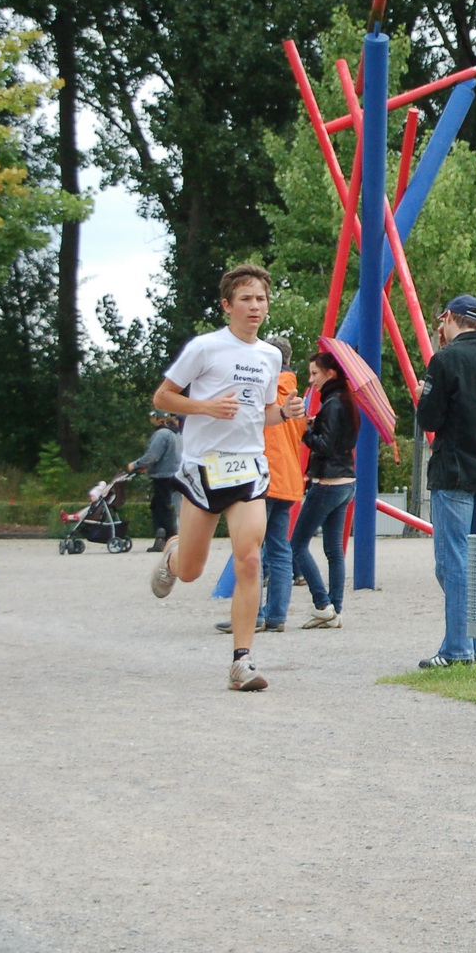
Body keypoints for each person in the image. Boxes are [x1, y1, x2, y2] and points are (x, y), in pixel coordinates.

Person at [149, 263, 306, 692]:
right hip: (203, 468)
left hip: (249, 467)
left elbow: (262, 415)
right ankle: (173, 555)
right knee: (191, 571)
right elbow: (163, 397)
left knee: (250, 557)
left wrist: (286, 414)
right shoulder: (205, 348)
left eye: (261, 299)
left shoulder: (270, 356)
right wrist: (206, 407)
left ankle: (242, 662)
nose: (255, 306)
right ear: (227, 305)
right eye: (246, 299)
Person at [416, 294, 476, 669]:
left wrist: (422, 400)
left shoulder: (445, 359)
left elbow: (430, 417)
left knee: (454, 561)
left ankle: (457, 648)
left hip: (455, 470)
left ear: (449, 319)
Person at [214, 336, 303, 635]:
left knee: (250, 549)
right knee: (280, 549)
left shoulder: (259, 390)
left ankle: (253, 615)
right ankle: (276, 614)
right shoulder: (295, 395)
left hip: (262, 476)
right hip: (289, 478)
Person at [290, 350, 357, 630]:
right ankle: (335, 609)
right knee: (334, 551)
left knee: (296, 544)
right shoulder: (347, 401)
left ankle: (322, 603)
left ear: (331, 373)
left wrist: (304, 430)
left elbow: (324, 445)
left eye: (315, 373)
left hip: (328, 483)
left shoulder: (332, 403)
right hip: (347, 482)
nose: (311, 379)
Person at [128, 411, 182, 552]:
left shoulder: (161, 434)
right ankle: (167, 536)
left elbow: (153, 455)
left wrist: (136, 464)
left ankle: (167, 537)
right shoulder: (175, 434)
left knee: (162, 507)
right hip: (175, 473)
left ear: (157, 418)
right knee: (161, 505)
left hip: (163, 476)